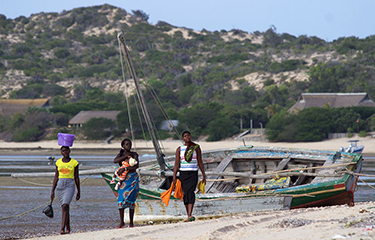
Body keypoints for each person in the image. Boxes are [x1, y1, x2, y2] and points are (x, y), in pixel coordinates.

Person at [173, 131, 206, 222]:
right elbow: (176, 164)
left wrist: (203, 175)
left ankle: (189, 214)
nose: (187, 137)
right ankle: (188, 214)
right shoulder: (179, 149)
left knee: (191, 192)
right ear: (183, 138)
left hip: (193, 173)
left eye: (189, 135)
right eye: (185, 136)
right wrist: (174, 176)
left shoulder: (196, 147)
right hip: (183, 173)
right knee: (185, 193)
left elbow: (200, 162)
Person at [50, 146, 80, 235]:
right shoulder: (58, 162)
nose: (65, 152)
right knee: (64, 207)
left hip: (70, 185)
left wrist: (79, 191)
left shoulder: (74, 163)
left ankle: (62, 228)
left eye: (67, 150)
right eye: (63, 151)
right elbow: (56, 177)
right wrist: (52, 190)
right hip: (60, 186)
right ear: (61, 152)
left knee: (65, 205)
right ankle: (68, 228)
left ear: (69, 151)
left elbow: (77, 177)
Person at [113, 138, 140, 228]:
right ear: (123, 146)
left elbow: (136, 166)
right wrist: (125, 157)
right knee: (121, 200)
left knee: (131, 200)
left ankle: (131, 222)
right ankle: (122, 222)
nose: (129, 146)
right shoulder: (121, 155)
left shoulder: (134, 154)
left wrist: (125, 169)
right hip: (123, 181)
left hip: (132, 179)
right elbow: (115, 161)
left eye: (130, 144)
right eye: (127, 144)